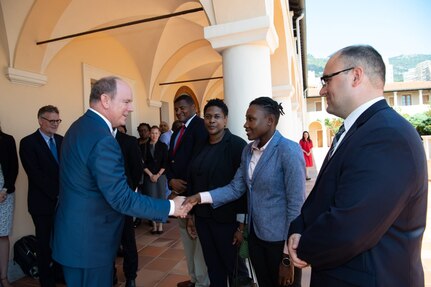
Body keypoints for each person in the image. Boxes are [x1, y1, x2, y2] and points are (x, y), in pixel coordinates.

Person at [287, 45, 428, 287]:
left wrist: (304, 245)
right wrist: (298, 227)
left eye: (326, 80)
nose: (321, 90)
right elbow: (324, 197)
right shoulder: (362, 129)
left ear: (355, 75)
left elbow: (350, 229)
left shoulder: (386, 135)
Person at [51, 76, 188, 287]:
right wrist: (170, 206)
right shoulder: (102, 138)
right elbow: (121, 198)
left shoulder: (79, 126)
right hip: (91, 242)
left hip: (75, 237)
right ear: (105, 100)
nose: (131, 108)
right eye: (126, 101)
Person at [184, 96, 306, 287]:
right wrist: (201, 197)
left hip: (280, 241)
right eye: (246, 119)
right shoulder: (248, 151)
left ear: (270, 121)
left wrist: (286, 256)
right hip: (256, 237)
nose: (245, 124)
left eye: (251, 119)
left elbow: (296, 205)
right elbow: (235, 188)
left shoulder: (288, 150)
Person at [187, 99, 248, 287]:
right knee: (213, 267)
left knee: (235, 268)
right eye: (207, 117)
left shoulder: (237, 145)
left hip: (228, 222)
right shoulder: (200, 144)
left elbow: (243, 188)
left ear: (225, 120)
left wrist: (241, 226)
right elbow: (193, 180)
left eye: (217, 117)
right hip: (204, 219)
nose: (211, 121)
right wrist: (191, 215)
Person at [166, 94, 210, 287]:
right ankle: (193, 279)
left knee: (198, 242)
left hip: (194, 195)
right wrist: (170, 181)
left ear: (194, 107)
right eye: (176, 109)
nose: (179, 112)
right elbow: (169, 162)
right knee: (187, 241)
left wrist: (189, 198)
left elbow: (198, 165)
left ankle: (202, 282)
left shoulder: (200, 127)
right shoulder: (177, 133)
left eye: (183, 107)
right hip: (179, 195)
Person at [19, 105, 64, 287]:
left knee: (61, 241)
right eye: (51, 121)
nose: (55, 124)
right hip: (42, 203)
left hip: (64, 203)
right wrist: (58, 193)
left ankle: (60, 274)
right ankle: (47, 281)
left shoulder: (62, 140)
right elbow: (35, 174)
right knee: (44, 244)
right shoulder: (28, 142)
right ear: (40, 120)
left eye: (58, 121)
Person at [114, 125, 143, 287]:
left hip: (124, 199)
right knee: (105, 240)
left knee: (128, 239)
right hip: (101, 202)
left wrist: (128, 192)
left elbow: (136, 170)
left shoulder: (129, 141)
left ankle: (130, 276)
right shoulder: (96, 138)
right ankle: (110, 273)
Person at [0, 126, 18, 287]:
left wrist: (5, 189)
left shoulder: (7, 140)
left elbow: (13, 168)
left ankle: (4, 277)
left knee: (2, 235)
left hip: (4, 195)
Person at [142, 125, 169, 234]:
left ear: (159, 134)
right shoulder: (143, 146)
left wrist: (157, 175)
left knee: (161, 199)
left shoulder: (163, 146)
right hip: (148, 176)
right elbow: (142, 163)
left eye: (156, 133)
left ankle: (161, 225)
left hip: (160, 176)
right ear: (149, 134)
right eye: (152, 133)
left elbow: (165, 162)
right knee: (151, 200)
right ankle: (154, 225)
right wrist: (151, 175)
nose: (154, 135)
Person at [133, 122, 151, 228]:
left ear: (149, 132)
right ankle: (138, 218)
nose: (142, 132)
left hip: (149, 174)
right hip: (138, 173)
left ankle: (149, 217)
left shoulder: (152, 143)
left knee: (148, 195)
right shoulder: (135, 142)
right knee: (138, 196)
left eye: (145, 130)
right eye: (140, 130)